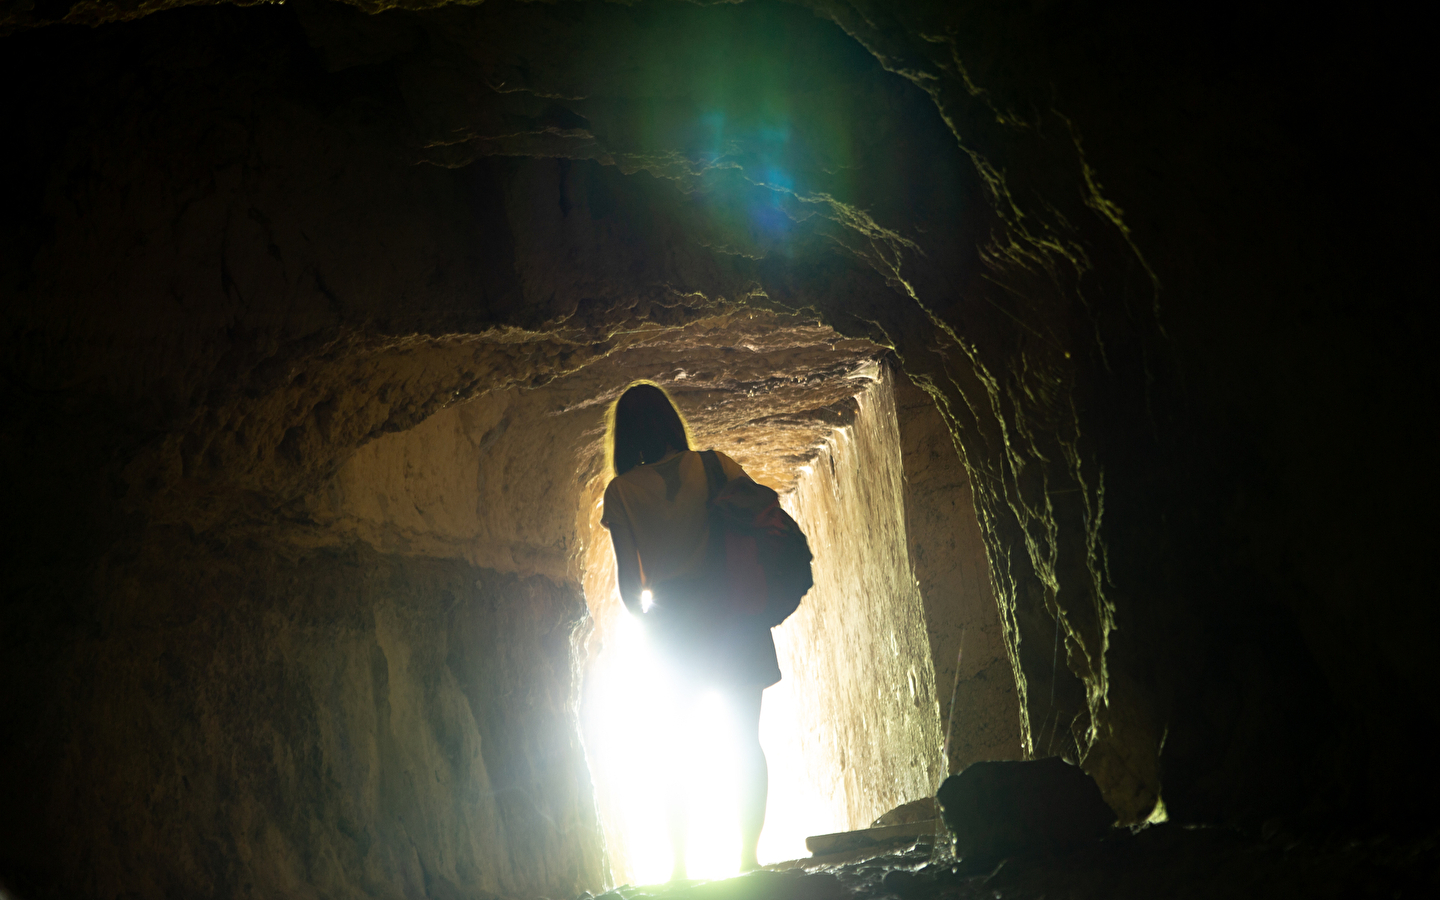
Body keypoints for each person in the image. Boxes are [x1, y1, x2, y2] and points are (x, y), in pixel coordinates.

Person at [601, 382, 780, 879]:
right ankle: (748, 859)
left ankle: (681, 870)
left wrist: (652, 629)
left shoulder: (621, 492)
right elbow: (762, 516)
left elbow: (628, 583)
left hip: (674, 625)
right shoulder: (715, 465)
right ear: (669, 420)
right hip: (734, 612)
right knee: (745, 740)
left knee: (675, 748)